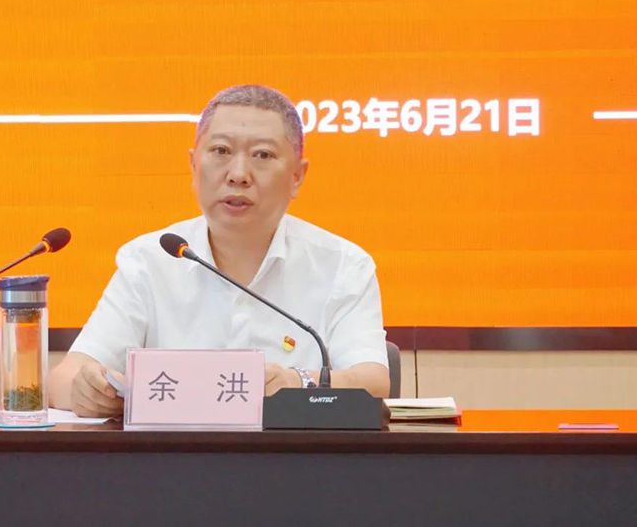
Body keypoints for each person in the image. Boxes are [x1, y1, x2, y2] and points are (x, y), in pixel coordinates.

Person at [48, 85, 389, 417]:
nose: (238, 175)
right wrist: (90, 391)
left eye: (262, 155)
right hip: (173, 455)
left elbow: (373, 384)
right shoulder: (149, 261)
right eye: (221, 151)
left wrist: (296, 382)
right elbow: (63, 379)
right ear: (194, 166)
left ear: (297, 176)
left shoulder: (343, 265)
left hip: (295, 454)